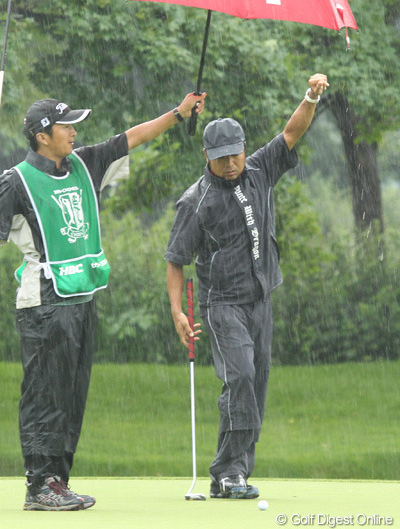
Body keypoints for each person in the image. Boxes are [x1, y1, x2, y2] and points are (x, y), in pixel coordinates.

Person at [0, 91, 206, 511]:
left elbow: (128, 139)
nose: (75, 132)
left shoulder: (84, 163)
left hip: (82, 299)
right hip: (44, 303)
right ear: (42, 136)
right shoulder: (14, 181)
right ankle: (40, 484)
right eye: (66, 126)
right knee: (45, 395)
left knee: (72, 396)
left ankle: (58, 481)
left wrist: (177, 114)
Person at [165, 74, 329, 499]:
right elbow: (176, 260)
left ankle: (233, 472)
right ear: (207, 155)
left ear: (243, 148)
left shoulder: (259, 169)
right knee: (240, 376)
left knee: (254, 384)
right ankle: (228, 470)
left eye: (235, 154)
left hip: (261, 299)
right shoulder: (195, 201)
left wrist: (310, 96)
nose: (231, 164)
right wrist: (177, 312)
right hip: (222, 305)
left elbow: (293, 131)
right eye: (221, 158)